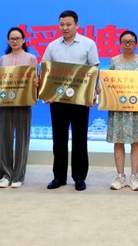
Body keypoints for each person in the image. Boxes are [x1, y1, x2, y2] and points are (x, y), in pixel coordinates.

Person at [40, 10, 99, 191]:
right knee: (59, 139)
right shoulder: (52, 46)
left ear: (76, 25)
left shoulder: (88, 44)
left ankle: (79, 178)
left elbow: (94, 70)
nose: (64, 28)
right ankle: (59, 177)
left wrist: (91, 94)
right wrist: (45, 92)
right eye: (62, 24)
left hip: (80, 100)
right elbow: (45, 70)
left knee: (80, 139)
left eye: (68, 24)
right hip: (58, 99)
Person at [107, 30, 138, 192]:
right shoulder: (114, 61)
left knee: (136, 141)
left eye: (131, 41)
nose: (127, 44)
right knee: (118, 140)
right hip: (118, 107)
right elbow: (108, 83)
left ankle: (134, 177)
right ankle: (120, 176)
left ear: (136, 43)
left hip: (136, 108)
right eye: (124, 41)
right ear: (120, 44)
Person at [0, 26, 37, 189]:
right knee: (4, 138)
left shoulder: (31, 58)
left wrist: (36, 83)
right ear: (8, 41)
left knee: (22, 139)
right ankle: (5, 175)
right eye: (12, 39)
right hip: (5, 102)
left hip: (24, 102)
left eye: (18, 38)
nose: (15, 41)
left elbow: (35, 80)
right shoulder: (3, 59)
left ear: (23, 40)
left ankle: (18, 176)